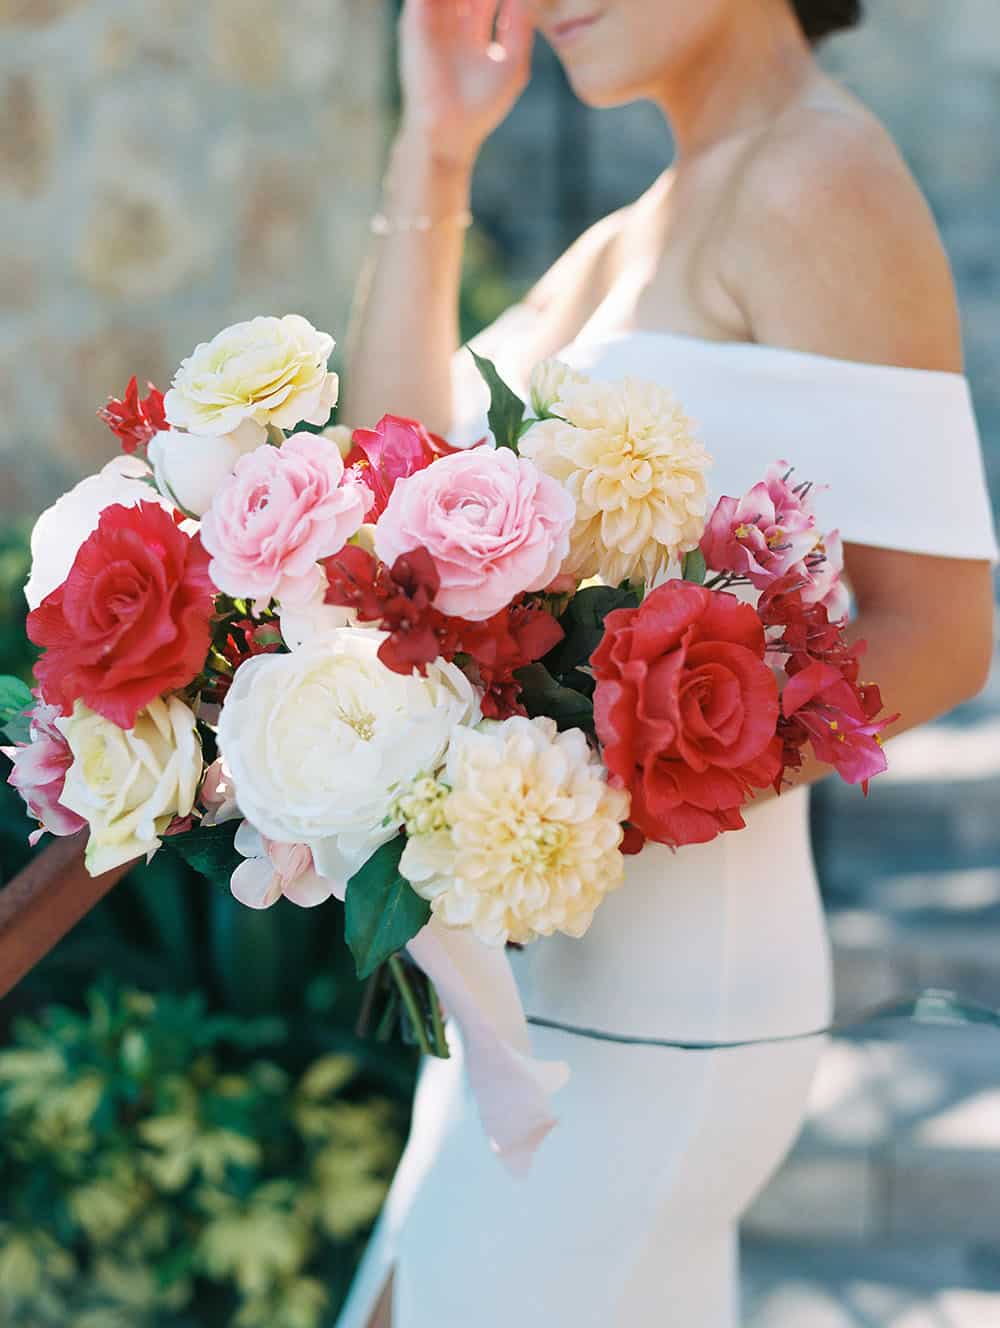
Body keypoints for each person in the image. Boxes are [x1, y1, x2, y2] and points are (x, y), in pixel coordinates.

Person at [337, 3, 998, 1325]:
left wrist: (588, 800)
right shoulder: (634, 227)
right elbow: (384, 484)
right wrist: (438, 149)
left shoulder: (819, 175)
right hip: (524, 994)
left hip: (668, 992)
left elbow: (938, 629)